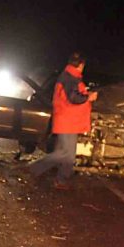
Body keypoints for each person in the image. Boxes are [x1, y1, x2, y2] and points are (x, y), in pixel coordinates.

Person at [28, 52, 98, 190]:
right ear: (81, 65)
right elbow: (73, 98)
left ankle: (61, 180)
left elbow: (70, 95)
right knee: (65, 154)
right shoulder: (70, 78)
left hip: (68, 120)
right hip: (68, 121)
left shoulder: (69, 77)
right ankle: (34, 169)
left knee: (66, 154)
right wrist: (88, 97)